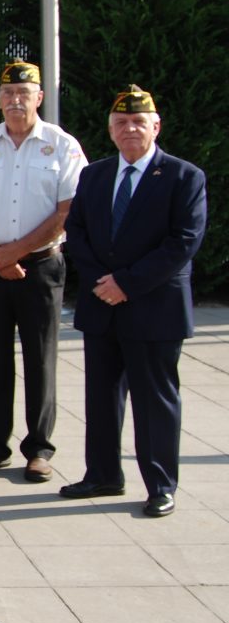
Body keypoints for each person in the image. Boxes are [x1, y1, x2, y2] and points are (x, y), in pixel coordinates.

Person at [60, 86, 207, 517]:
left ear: (155, 127)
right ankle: (103, 474)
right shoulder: (96, 175)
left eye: (139, 122)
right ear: (110, 130)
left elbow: (183, 242)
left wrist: (126, 283)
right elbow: (78, 232)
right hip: (101, 303)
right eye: (121, 123)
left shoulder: (184, 176)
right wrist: (102, 283)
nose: (130, 129)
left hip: (153, 308)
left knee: (154, 400)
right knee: (101, 397)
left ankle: (161, 484)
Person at [0, 59, 87, 482]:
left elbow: (67, 210)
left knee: (40, 360)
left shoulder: (62, 146)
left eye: (23, 93)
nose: (14, 100)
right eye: (8, 93)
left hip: (42, 268)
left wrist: (16, 252)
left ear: (39, 98)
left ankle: (39, 449)